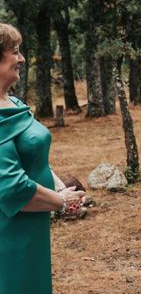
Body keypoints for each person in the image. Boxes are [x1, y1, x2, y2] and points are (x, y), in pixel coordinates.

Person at [0, 23, 85, 294]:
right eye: (15, 52)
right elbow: (12, 188)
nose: (22, 58)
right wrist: (60, 202)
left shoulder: (14, 103)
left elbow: (36, 157)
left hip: (34, 226)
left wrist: (61, 188)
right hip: (11, 231)